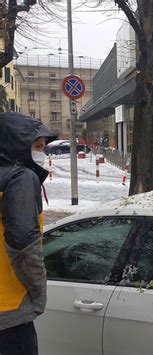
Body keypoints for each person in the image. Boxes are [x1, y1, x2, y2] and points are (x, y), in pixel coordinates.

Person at [0, 112, 56, 354]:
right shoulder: (20, 178)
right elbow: (24, 244)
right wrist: (38, 293)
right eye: (37, 146)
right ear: (17, 146)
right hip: (9, 312)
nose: (42, 153)